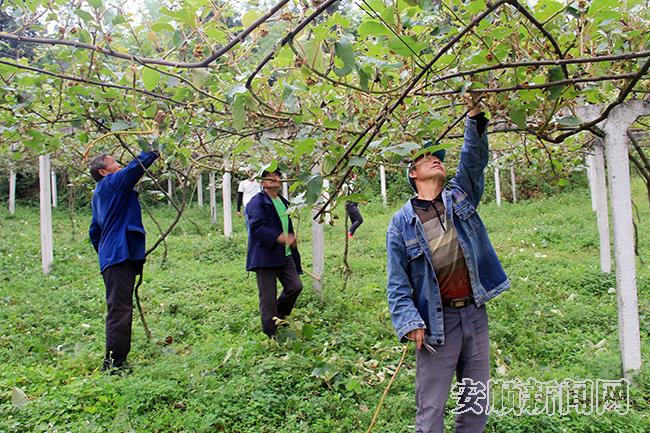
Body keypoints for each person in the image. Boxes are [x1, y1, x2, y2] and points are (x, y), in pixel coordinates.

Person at [385, 96, 510, 433]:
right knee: (432, 407)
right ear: (413, 173)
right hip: (436, 322)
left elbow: (474, 159)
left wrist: (474, 114)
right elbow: (397, 282)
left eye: (439, 158)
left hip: (474, 313)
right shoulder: (401, 223)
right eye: (427, 159)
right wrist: (410, 320)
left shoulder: (459, 196)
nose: (437, 161)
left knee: (475, 402)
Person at [88, 110, 165, 373]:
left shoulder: (100, 194)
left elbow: (94, 232)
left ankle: (115, 360)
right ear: (103, 171)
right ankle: (114, 365)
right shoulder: (112, 183)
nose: (119, 165)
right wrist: (155, 134)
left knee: (118, 307)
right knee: (120, 310)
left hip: (114, 255)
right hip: (118, 255)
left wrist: (106, 252)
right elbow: (137, 166)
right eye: (114, 163)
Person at [245, 169, 303, 337]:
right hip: (265, 257)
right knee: (268, 298)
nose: (274, 178)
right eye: (268, 176)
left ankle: (279, 317)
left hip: (284, 255)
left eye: (277, 175)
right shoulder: (257, 203)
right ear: (262, 182)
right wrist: (280, 237)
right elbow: (257, 228)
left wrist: (290, 241)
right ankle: (271, 334)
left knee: (295, 286)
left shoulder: (283, 202)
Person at [343, 172, 364, 238]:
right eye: (356, 174)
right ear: (353, 175)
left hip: (350, 204)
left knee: (354, 221)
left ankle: (350, 236)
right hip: (351, 204)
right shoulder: (352, 184)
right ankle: (349, 233)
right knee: (359, 220)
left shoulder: (347, 184)